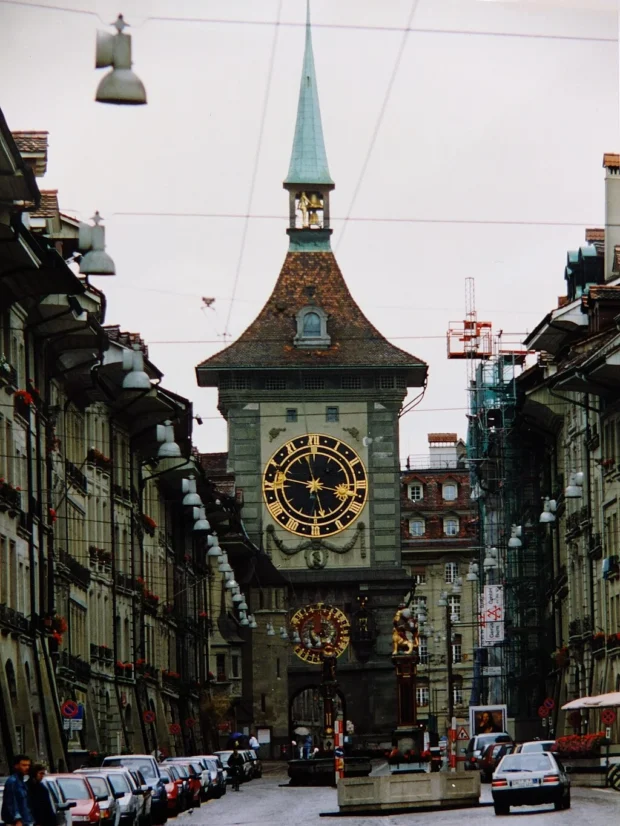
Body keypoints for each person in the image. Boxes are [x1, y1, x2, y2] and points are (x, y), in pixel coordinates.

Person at [1, 754, 34, 826]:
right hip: (18, 823)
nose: (27, 767)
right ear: (16, 766)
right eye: (24, 765)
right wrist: (17, 819)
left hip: (26, 821)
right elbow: (11, 802)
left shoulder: (22, 782)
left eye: (28, 765)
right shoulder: (12, 782)